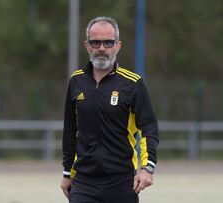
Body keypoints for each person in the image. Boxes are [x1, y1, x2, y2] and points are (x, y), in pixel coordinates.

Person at [60, 16, 159, 203]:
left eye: (108, 42)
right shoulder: (76, 81)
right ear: (87, 46)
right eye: (95, 43)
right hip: (84, 182)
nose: (102, 48)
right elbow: (70, 132)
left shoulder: (133, 83)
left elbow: (148, 129)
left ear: (117, 46)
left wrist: (147, 168)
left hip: (122, 182)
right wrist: (67, 173)